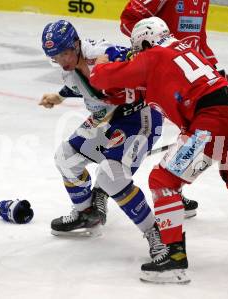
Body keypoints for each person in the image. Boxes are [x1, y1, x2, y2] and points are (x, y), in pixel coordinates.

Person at [90, 17, 228, 284]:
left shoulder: (152, 55)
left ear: (145, 41)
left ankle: (174, 259)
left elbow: (103, 78)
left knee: (162, 180)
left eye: (138, 47)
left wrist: (99, 63)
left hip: (210, 123)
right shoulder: (187, 48)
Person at [39, 20, 168, 258]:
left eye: (65, 53)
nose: (62, 61)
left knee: (111, 177)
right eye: (55, 57)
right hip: (107, 118)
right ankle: (87, 214)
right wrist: (59, 96)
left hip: (139, 118)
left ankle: (157, 236)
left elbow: (145, 68)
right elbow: (79, 85)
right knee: (65, 158)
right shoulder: (68, 69)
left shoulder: (104, 54)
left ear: (77, 45)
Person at [120, 0, 218, 67]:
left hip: (187, 72)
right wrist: (156, 47)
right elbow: (128, 20)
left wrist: (211, 66)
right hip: (160, 72)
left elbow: (198, 36)